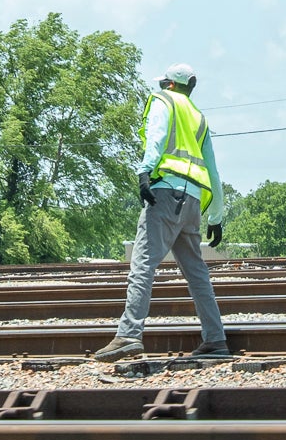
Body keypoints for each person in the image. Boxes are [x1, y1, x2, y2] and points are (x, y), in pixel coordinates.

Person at [91, 63, 230, 363]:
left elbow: (156, 137)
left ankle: (129, 335)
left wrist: (144, 171)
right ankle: (216, 339)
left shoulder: (163, 101)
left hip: (165, 193)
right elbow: (214, 171)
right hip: (192, 201)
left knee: (142, 264)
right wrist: (216, 216)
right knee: (197, 274)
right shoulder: (199, 118)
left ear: (169, 84)